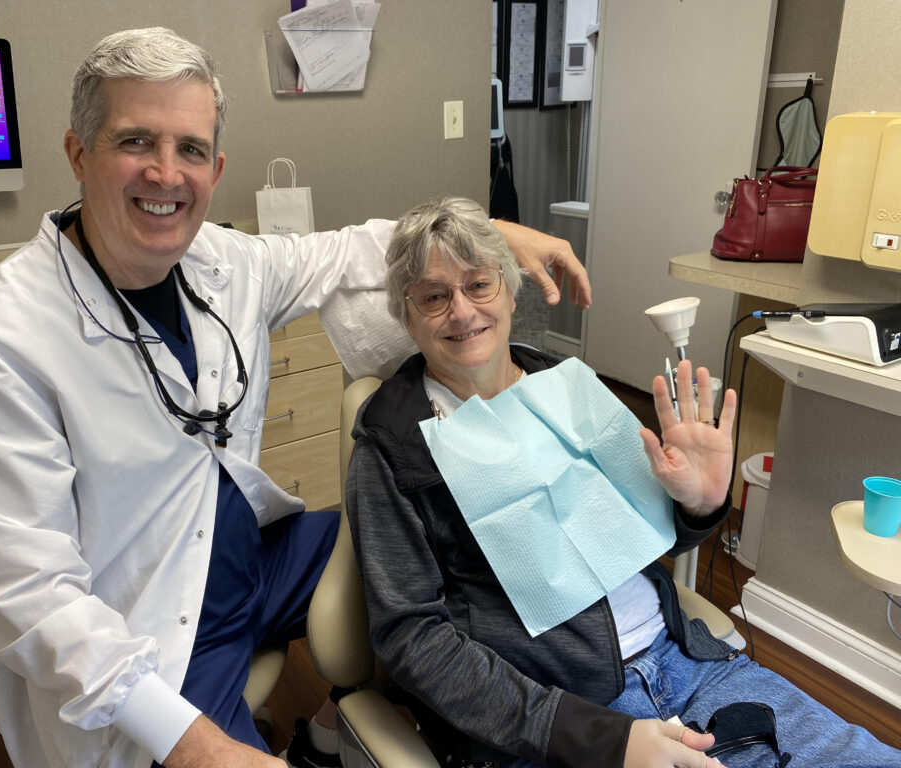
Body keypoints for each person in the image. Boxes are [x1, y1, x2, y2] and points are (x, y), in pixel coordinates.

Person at [0, 29, 589, 768]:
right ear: (79, 154)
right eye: (136, 141)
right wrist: (203, 749)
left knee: (423, 544)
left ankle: (343, 726)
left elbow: (346, 249)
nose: (167, 174)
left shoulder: (224, 260)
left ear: (217, 166)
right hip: (142, 626)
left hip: (250, 556)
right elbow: (31, 596)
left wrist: (490, 232)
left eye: (191, 149)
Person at [346, 196, 901, 768]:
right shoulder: (394, 450)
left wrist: (697, 506)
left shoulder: (565, 388)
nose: (462, 312)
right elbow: (413, 640)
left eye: (479, 284)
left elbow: (646, 536)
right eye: (434, 297)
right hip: (558, 717)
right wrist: (603, 739)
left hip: (685, 663)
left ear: (511, 292)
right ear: (407, 316)